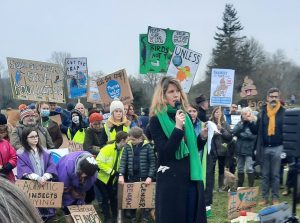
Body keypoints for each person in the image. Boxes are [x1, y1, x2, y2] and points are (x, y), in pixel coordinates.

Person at [149, 76, 207, 223]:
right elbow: (165, 153)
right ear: (162, 95)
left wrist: (202, 137)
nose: (176, 95)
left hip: (191, 177)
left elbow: (191, 148)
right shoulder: (156, 119)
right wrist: (177, 128)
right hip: (171, 180)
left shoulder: (184, 115)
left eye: (178, 91)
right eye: (171, 91)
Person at [249, 87, 285, 205]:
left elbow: (287, 131)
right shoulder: (262, 112)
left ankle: (275, 197)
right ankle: (264, 197)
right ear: (267, 98)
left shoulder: (284, 112)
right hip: (264, 147)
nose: (273, 99)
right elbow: (255, 131)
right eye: (271, 97)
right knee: (264, 175)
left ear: (279, 98)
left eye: (276, 96)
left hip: (278, 147)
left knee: (275, 174)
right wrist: (250, 122)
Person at [16, 127, 58, 221]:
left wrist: (46, 176)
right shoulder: (21, 153)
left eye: (36, 136)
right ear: (25, 139)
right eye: (32, 137)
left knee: (46, 205)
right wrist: (37, 178)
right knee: (33, 209)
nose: (35, 138)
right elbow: (23, 169)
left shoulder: (45, 151)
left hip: (45, 182)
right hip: (32, 184)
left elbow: (51, 165)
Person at [118, 127, 156, 223]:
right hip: (132, 177)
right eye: (130, 139)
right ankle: (133, 217)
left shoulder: (148, 147)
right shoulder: (127, 146)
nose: (132, 141)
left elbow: (152, 163)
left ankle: (144, 217)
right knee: (132, 198)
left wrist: (150, 176)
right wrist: (121, 174)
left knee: (144, 199)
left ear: (140, 138)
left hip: (144, 177)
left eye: (134, 139)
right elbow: (123, 161)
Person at [96, 131, 129, 223]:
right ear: (122, 140)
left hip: (113, 179)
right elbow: (98, 162)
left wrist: (121, 173)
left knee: (113, 198)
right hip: (102, 178)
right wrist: (112, 172)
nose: (127, 143)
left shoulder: (123, 150)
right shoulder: (107, 149)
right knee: (105, 197)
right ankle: (107, 217)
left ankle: (115, 216)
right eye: (127, 140)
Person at [204, 106, 232, 215]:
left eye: (219, 112)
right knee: (210, 170)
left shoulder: (224, 123)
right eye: (216, 112)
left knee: (221, 169)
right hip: (212, 150)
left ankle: (221, 186)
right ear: (213, 113)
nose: (217, 114)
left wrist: (222, 130)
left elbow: (229, 136)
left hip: (222, 149)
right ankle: (211, 188)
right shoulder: (209, 123)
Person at [56, 151, 98, 221]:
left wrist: (81, 193)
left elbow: (86, 187)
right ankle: (69, 217)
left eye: (86, 175)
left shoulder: (93, 176)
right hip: (66, 177)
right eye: (83, 172)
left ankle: (80, 218)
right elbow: (63, 185)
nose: (83, 175)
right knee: (68, 205)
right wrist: (71, 191)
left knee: (83, 201)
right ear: (80, 167)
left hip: (78, 180)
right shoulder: (67, 164)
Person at [232, 107, 257, 187]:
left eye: (246, 113)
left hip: (249, 149)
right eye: (243, 114)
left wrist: (240, 135)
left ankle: (250, 186)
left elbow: (252, 135)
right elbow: (234, 131)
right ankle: (240, 185)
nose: (244, 115)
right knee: (239, 168)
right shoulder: (240, 123)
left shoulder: (254, 123)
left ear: (250, 113)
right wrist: (241, 125)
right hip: (239, 148)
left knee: (249, 168)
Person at [0, 114, 17, 182]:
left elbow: (14, 157)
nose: (2, 134)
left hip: (8, 177)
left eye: (2, 132)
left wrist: (8, 166)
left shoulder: (5, 143)